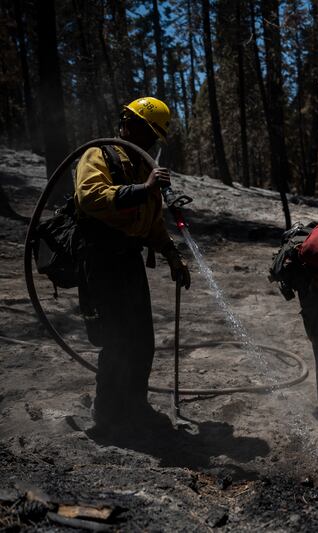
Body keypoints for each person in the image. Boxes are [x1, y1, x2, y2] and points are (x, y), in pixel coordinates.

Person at [74, 96, 191, 433]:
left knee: (142, 338)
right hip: (99, 261)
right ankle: (108, 414)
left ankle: (135, 406)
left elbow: (151, 222)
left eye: (155, 136)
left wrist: (172, 256)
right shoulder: (99, 155)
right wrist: (142, 189)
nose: (152, 142)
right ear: (130, 125)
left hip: (128, 262)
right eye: (149, 133)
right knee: (116, 340)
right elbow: (90, 197)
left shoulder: (141, 167)